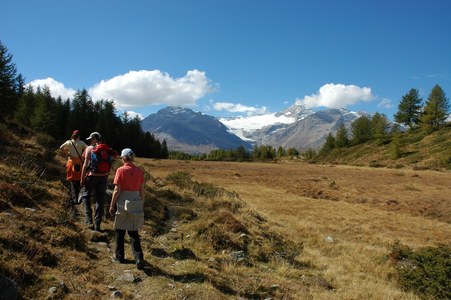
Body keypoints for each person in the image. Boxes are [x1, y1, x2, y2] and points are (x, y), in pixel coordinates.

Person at [109, 148, 145, 269]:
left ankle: (120, 257)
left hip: (122, 201)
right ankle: (139, 257)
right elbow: (142, 189)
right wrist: (142, 203)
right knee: (133, 231)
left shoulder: (120, 170)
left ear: (123, 158)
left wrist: (111, 205)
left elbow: (117, 190)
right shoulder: (140, 171)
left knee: (120, 230)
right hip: (136, 200)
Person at [80, 132, 110, 231]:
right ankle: (97, 224)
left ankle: (88, 219)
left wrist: (82, 177)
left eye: (91, 139)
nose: (90, 141)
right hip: (103, 177)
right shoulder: (106, 148)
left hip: (92, 176)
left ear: (95, 139)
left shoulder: (89, 148)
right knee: (100, 200)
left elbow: (85, 164)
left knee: (85, 195)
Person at [59, 130, 87, 210]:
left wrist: (68, 153)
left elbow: (61, 147)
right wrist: (83, 156)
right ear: (79, 136)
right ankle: (77, 199)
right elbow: (88, 149)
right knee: (78, 181)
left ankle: (73, 199)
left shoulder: (69, 142)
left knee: (72, 181)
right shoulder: (81, 143)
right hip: (79, 163)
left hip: (71, 162)